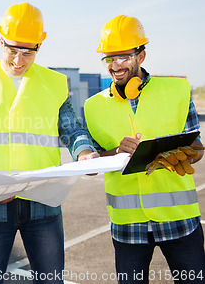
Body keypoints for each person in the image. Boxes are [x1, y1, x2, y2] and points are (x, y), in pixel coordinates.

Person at [0, 2, 99, 284]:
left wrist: (85, 152)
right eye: (12, 50)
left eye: (28, 52)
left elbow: (72, 128)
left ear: (39, 46)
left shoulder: (54, 83)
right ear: (1, 40)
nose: (19, 60)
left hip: (43, 203)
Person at [84, 15, 205, 284]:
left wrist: (184, 152)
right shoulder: (93, 106)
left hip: (179, 220)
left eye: (124, 57)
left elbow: (197, 146)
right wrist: (114, 154)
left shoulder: (177, 90)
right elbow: (91, 161)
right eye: (109, 59)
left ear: (142, 55)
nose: (115, 66)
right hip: (128, 227)